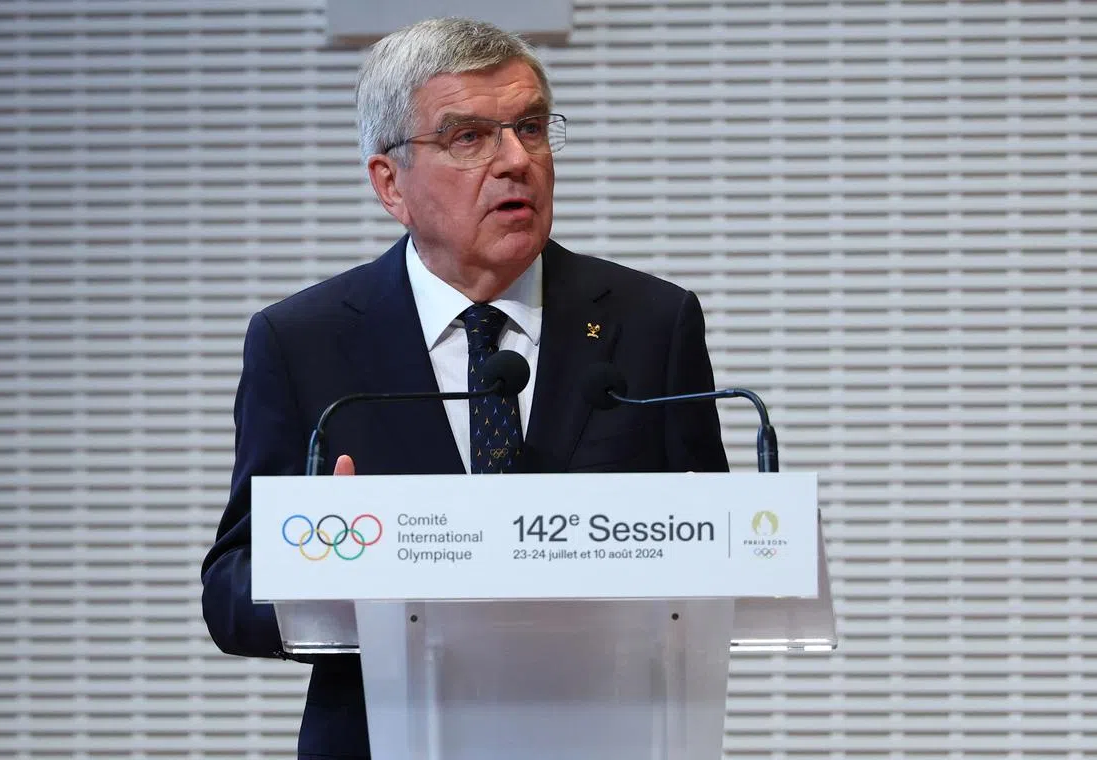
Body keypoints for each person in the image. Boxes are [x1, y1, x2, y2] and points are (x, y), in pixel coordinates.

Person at [200, 16, 729, 759]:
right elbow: (229, 594)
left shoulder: (652, 322)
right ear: (391, 183)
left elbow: (718, 548)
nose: (516, 160)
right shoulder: (303, 341)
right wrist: (322, 563)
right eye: (470, 138)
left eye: (532, 127)